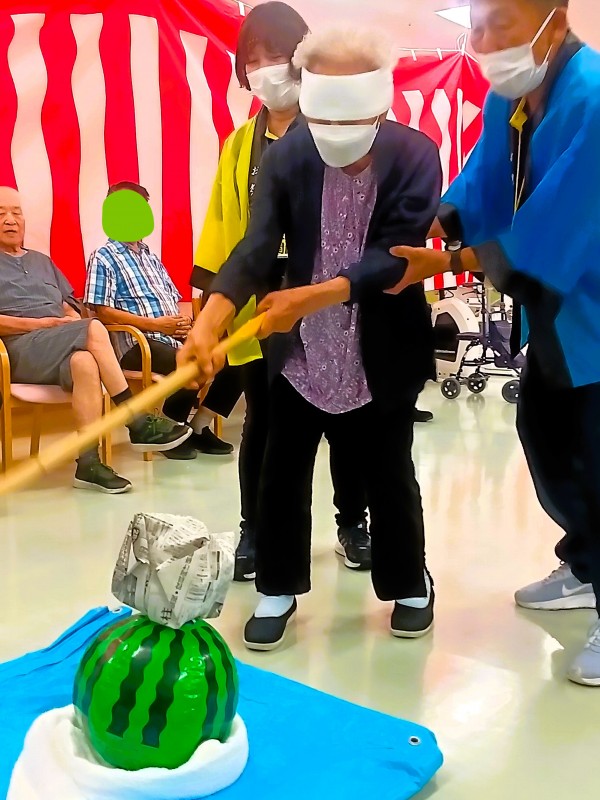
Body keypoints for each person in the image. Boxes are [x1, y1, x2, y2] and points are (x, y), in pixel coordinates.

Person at [180, 27, 442, 650]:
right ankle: (277, 585)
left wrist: (310, 296)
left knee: (389, 473)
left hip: (382, 350)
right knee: (282, 472)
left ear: (379, 101)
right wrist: (209, 323)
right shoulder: (289, 154)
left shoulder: (415, 154)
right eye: (324, 114)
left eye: (351, 115)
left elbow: (395, 257)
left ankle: (409, 582)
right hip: (300, 353)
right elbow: (254, 248)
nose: (336, 132)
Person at [385, 0, 600, 686]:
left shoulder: (593, 98)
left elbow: (559, 221)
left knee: (596, 457)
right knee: (547, 437)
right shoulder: (510, 99)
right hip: (557, 315)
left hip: (592, 305)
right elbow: (480, 182)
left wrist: (447, 261)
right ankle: (588, 564)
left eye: (499, 24)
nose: (482, 42)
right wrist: (423, 224)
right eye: (475, 26)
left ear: (554, 21)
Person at [192, 3, 371, 582]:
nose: (266, 68)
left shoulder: (335, 131)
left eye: (278, 54)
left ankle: (353, 522)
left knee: (344, 418)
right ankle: (256, 528)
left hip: (329, 297)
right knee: (263, 425)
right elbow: (226, 226)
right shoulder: (239, 144)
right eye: (254, 59)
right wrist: (211, 309)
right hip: (260, 301)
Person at [0, 186, 191, 493]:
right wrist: (41, 323)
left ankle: (88, 464)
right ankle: (135, 419)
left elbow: (69, 305)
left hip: (56, 342)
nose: (10, 220)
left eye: (16, 213)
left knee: (85, 362)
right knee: (93, 328)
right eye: (1, 214)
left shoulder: (41, 261)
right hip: (18, 350)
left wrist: (67, 318)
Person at [85, 181, 236, 460]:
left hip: (171, 337)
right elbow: (102, 312)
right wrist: (157, 326)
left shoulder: (151, 257)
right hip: (137, 344)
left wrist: (187, 326)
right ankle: (172, 429)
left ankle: (197, 427)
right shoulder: (104, 257)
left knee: (234, 360)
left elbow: (172, 301)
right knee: (191, 364)